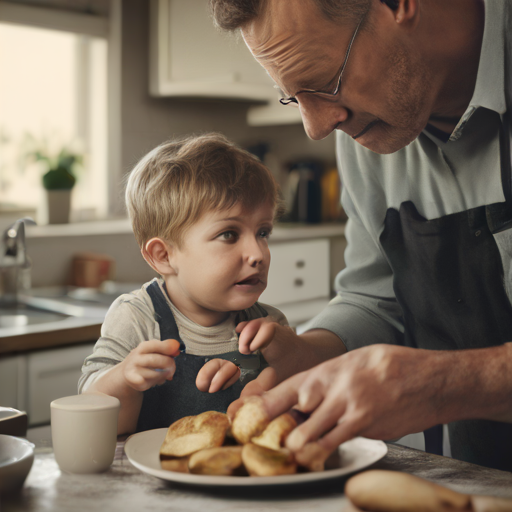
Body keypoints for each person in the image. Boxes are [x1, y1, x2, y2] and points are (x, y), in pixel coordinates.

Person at [210, 0, 512, 471]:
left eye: (323, 83)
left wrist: (444, 385)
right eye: (294, 97)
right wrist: (308, 355)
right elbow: (376, 299)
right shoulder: (369, 130)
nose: (315, 127)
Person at [78, 133, 293, 435]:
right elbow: (90, 416)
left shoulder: (271, 327)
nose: (258, 254)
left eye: (263, 232)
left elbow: (294, 419)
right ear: (164, 256)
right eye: (229, 234)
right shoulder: (137, 318)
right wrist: (124, 378)